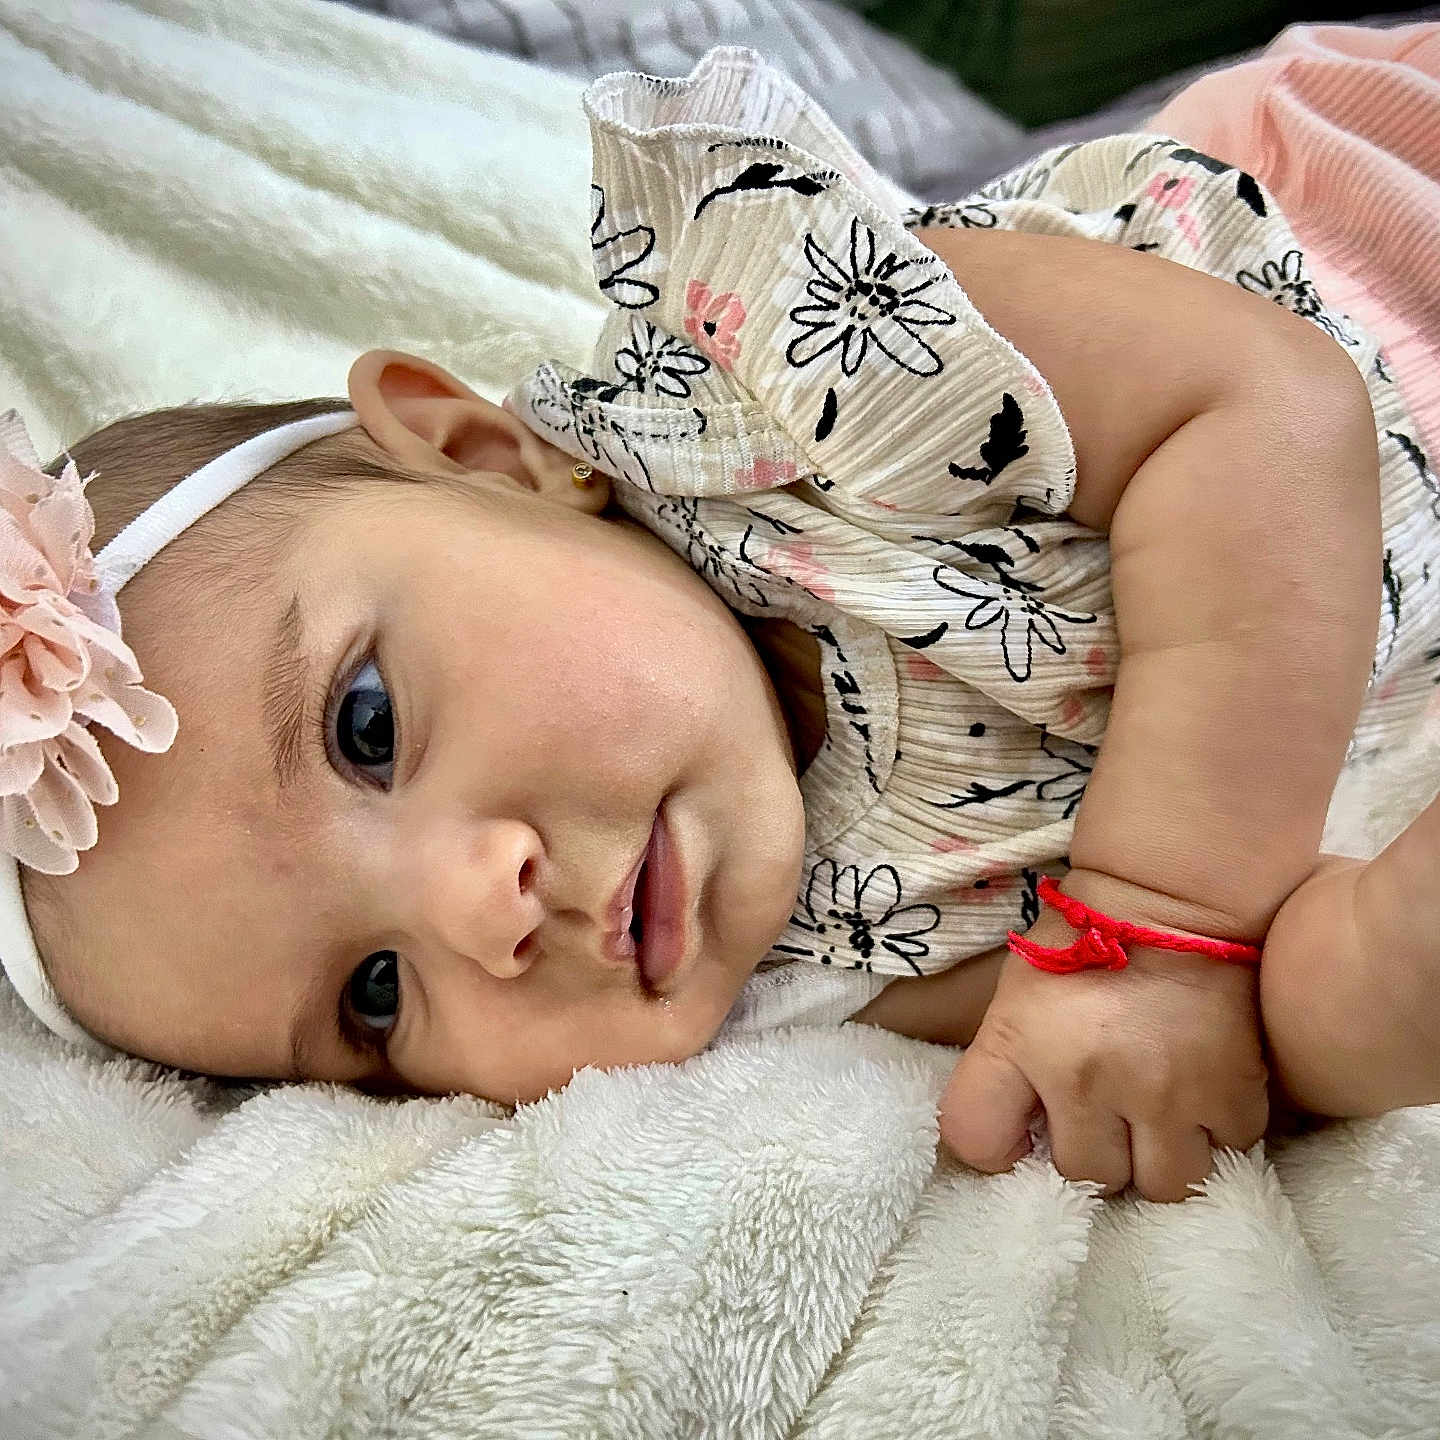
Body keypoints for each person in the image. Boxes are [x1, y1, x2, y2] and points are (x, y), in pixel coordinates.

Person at [3, 26, 1438, 1204]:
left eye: (365, 727)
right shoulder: (821, 981)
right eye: (374, 1002)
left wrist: (1155, 922)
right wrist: (1354, 985)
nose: (476, 914)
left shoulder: (789, 372)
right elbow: (1181, 1035)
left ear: (483, 457)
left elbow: (1265, 415)